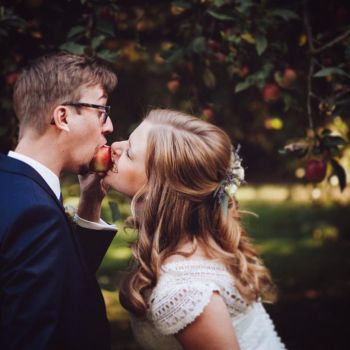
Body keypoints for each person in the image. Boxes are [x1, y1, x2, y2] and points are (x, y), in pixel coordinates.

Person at [103, 109, 287, 350]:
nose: (115, 145)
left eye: (129, 153)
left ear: (157, 190)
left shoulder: (183, 291)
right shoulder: (195, 240)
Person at [0, 52, 118, 350]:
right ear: (62, 117)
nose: (109, 126)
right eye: (101, 111)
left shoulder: (15, 187)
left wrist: (90, 203)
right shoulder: (36, 214)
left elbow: (61, 284)